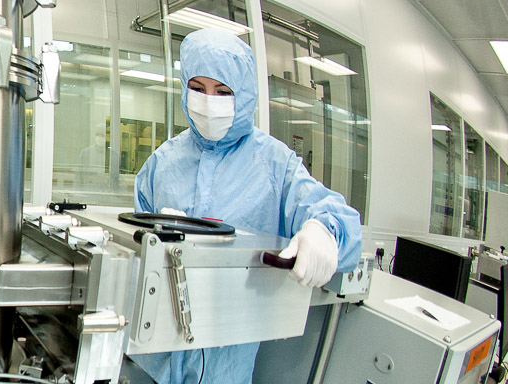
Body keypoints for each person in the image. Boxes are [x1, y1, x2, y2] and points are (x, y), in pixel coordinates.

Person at [130, 28, 362, 383]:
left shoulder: (274, 164)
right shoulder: (162, 163)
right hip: (153, 359)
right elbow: (135, 251)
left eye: (223, 92)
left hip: (226, 365)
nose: (209, 101)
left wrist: (323, 231)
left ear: (245, 95)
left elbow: (332, 213)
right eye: (198, 88)